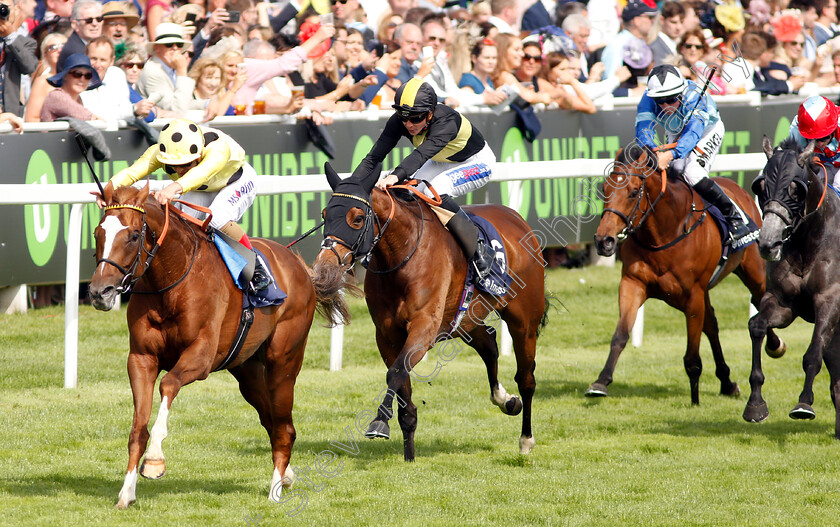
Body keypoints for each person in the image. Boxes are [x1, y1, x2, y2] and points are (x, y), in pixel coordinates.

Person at [98, 118, 272, 292]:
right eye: (174, 166)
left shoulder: (218, 148)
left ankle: (257, 266)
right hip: (201, 186)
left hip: (236, 180)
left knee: (217, 219)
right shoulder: (157, 152)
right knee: (183, 225)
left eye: (187, 164)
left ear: (199, 154)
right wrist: (108, 190)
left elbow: (202, 173)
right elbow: (131, 173)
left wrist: (174, 188)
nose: (181, 170)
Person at [354, 78, 497, 280]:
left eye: (415, 118)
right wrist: (352, 184)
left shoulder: (447, 120)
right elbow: (374, 157)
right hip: (441, 159)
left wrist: (394, 175)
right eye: (403, 118)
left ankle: (479, 250)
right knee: (402, 192)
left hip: (475, 162)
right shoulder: (402, 120)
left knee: (435, 190)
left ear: (430, 113)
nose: (408, 124)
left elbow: (420, 156)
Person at [634, 64, 750, 241]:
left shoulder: (695, 95)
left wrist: (671, 154)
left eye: (671, 99)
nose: (665, 105)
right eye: (660, 101)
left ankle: (735, 217)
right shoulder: (646, 99)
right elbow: (643, 131)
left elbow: (693, 133)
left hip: (706, 129)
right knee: (673, 172)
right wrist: (653, 153)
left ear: (681, 92)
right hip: (675, 127)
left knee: (693, 173)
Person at [789, 95, 840, 183]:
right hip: (824, 167)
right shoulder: (796, 129)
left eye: (824, 137)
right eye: (814, 139)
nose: (820, 144)